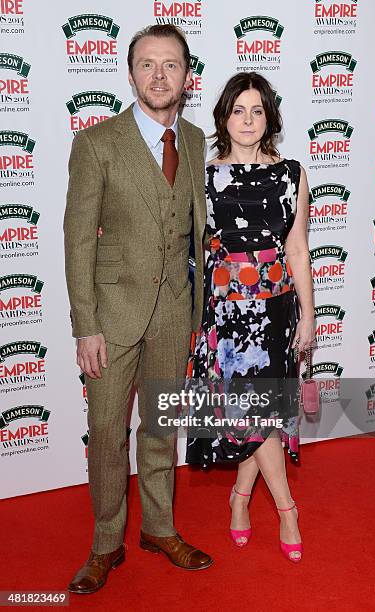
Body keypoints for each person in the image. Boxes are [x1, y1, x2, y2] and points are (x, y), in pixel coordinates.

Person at [63, 24, 213, 595]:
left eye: (170, 64)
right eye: (147, 64)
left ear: (186, 77)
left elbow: (202, 233)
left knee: (160, 428)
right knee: (106, 431)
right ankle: (106, 544)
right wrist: (87, 326)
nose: (158, 75)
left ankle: (159, 528)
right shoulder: (97, 143)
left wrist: (205, 313)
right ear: (130, 74)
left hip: (177, 309)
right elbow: (78, 239)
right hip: (113, 312)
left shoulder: (197, 141)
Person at [185, 72, 315, 562]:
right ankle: (286, 509)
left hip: (277, 310)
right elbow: (193, 250)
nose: (247, 119)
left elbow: (298, 250)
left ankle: (241, 498)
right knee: (252, 415)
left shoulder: (293, 173)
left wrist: (308, 316)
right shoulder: (205, 176)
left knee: (261, 416)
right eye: (238, 110)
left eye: (257, 110)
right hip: (229, 319)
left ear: (270, 117)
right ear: (224, 116)